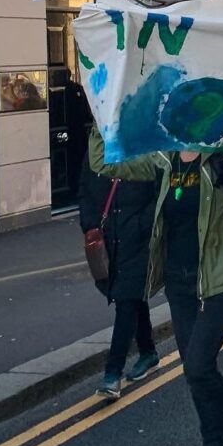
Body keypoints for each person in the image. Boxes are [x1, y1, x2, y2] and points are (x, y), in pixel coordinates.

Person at [90, 130, 223, 446]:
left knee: (198, 364)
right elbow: (105, 162)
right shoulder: (164, 158)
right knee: (195, 372)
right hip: (180, 279)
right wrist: (102, 116)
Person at [77, 151, 159, 400]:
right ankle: (148, 352)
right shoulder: (96, 150)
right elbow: (85, 193)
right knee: (131, 296)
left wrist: (142, 224)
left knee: (126, 300)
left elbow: (159, 192)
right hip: (109, 236)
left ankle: (112, 375)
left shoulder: (144, 146)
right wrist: (90, 225)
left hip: (138, 240)